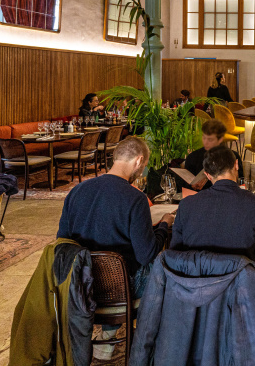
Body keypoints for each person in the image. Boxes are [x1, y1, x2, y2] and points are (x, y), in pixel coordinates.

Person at [57, 136, 173, 360]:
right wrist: (163, 226)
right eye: (144, 165)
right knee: (165, 270)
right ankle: (151, 347)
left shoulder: (76, 191)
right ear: (138, 161)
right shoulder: (135, 198)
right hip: (120, 289)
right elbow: (147, 254)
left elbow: (62, 243)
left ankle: (107, 337)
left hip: (80, 286)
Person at [170, 146, 255, 290]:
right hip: (241, 289)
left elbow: (175, 252)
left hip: (197, 289)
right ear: (236, 165)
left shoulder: (186, 204)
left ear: (207, 175)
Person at [182, 119, 243, 190]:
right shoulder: (193, 157)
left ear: (220, 139)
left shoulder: (232, 156)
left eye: (210, 139)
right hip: (199, 195)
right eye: (204, 138)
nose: (205, 142)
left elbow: (241, 182)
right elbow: (186, 186)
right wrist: (192, 186)